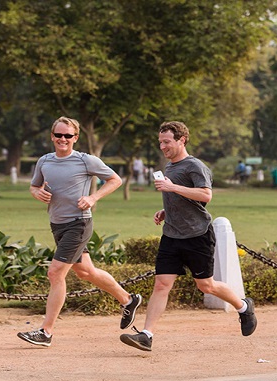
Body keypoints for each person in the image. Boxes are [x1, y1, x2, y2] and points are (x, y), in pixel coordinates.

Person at [120, 121, 257, 351]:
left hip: (197, 235)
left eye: (167, 142)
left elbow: (205, 195)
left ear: (182, 140)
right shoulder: (170, 167)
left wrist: (172, 188)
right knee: (162, 284)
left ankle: (243, 306)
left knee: (206, 286)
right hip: (172, 235)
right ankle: (147, 334)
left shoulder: (194, 166)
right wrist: (166, 210)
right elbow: (183, 197)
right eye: (160, 142)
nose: (163, 146)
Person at [17, 116, 142, 347]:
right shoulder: (44, 161)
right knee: (86, 272)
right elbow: (34, 186)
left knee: (55, 273)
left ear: (75, 137)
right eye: (58, 135)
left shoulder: (86, 161)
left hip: (79, 223)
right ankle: (128, 299)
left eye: (68, 135)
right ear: (52, 136)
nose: (62, 139)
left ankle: (46, 331)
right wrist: (37, 193)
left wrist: (93, 197)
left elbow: (115, 180)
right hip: (57, 224)